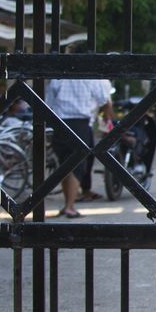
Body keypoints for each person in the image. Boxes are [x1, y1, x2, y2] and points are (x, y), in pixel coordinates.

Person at [46, 71, 113, 219]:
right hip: (81, 124)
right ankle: (70, 207)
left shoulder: (59, 78)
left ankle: (67, 205)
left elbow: (48, 103)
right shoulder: (91, 78)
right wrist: (108, 120)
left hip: (60, 123)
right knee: (78, 166)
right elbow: (104, 100)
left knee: (64, 165)